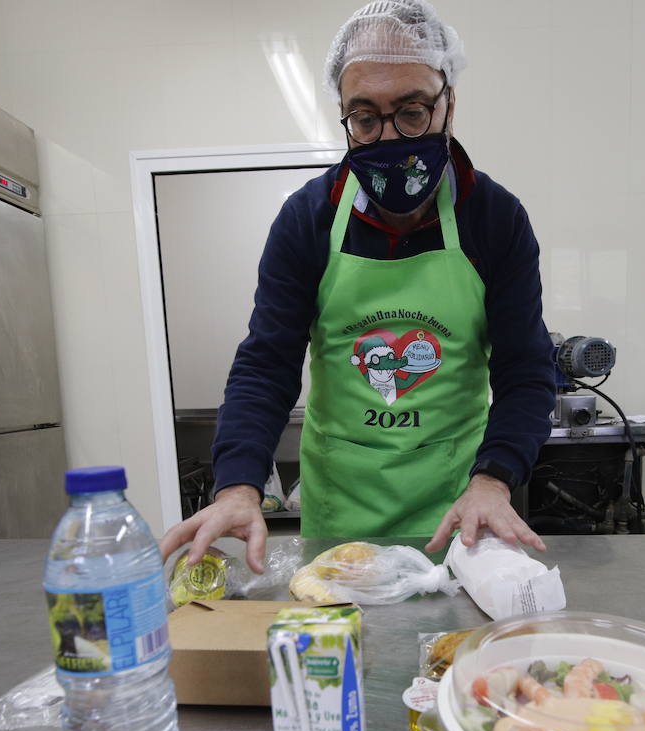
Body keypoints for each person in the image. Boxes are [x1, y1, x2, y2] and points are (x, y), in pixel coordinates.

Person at [160, 0, 555, 571]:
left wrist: (495, 479)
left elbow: (525, 370)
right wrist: (238, 485)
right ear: (343, 115)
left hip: (459, 513)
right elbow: (266, 363)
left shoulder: (492, 218)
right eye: (365, 118)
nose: (389, 135)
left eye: (413, 111)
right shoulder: (308, 220)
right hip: (338, 518)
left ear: (450, 103)